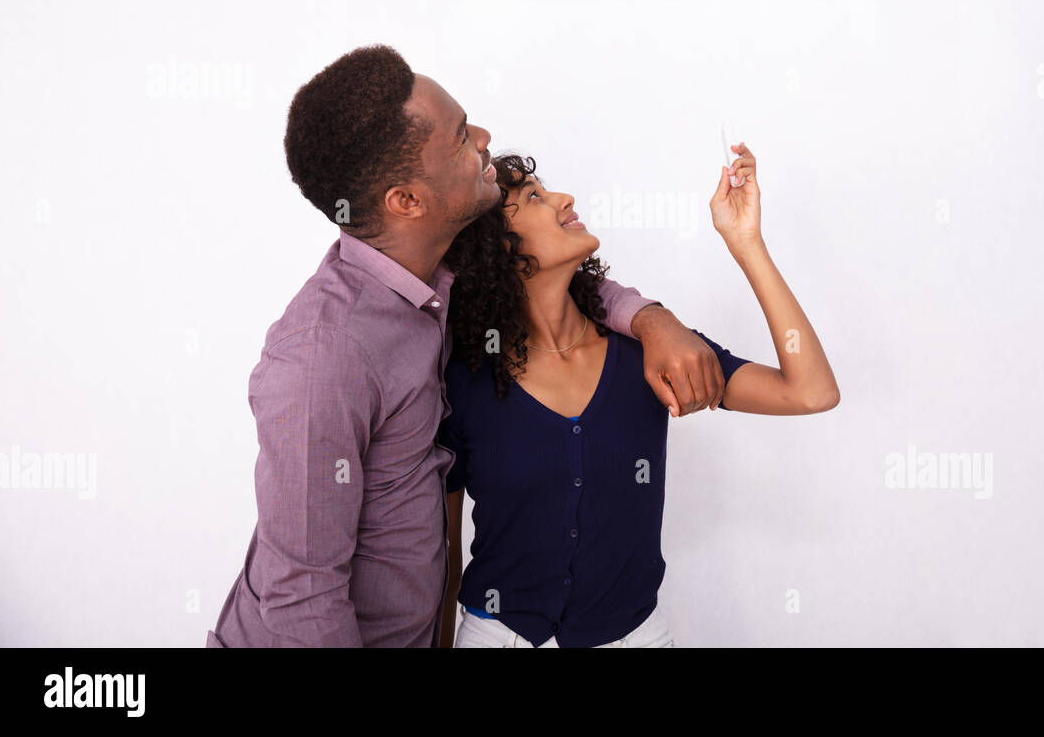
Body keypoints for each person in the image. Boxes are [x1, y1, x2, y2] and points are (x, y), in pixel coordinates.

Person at [206, 44, 727, 647]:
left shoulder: (438, 280)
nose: (484, 137)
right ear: (406, 201)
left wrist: (651, 320)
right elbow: (303, 594)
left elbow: (555, 281)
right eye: (459, 137)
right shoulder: (325, 352)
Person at [437, 142, 840, 648]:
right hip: (495, 636)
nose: (564, 198)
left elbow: (810, 392)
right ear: (496, 250)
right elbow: (444, 550)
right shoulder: (464, 380)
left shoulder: (647, 355)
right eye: (536, 199)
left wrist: (746, 242)